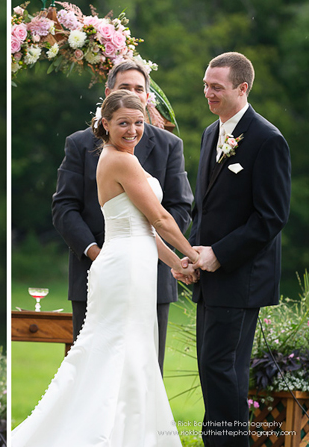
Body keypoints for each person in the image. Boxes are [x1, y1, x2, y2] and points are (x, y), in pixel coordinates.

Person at [12, 90, 199, 447]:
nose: (132, 130)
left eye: (139, 123)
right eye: (123, 123)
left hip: (135, 262)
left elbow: (142, 227)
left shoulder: (125, 157)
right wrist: (193, 253)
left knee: (135, 350)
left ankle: (132, 434)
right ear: (106, 124)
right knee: (117, 350)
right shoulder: (120, 161)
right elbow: (159, 217)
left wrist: (177, 263)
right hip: (124, 270)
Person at [173, 52, 291, 447]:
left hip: (242, 278)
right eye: (206, 84)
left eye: (216, 87)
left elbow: (270, 217)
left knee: (222, 370)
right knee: (214, 370)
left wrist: (219, 253)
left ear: (242, 88)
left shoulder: (268, 139)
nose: (208, 92)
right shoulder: (211, 133)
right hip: (210, 276)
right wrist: (189, 254)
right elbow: (204, 208)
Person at [52, 59, 193, 372]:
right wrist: (98, 253)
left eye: (139, 89)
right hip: (101, 270)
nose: (133, 94)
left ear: (147, 97)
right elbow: (64, 208)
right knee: (97, 367)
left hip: (151, 274)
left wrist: (172, 261)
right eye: (125, 88)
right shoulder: (81, 144)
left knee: (144, 370)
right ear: (108, 96)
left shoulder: (169, 145)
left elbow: (178, 208)